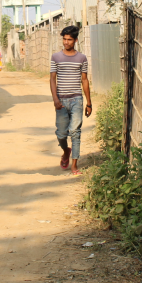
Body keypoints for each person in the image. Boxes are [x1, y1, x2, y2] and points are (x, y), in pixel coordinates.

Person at [49, 25, 92, 175]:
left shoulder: (82, 58)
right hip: (61, 101)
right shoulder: (56, 57)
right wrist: (55, 99)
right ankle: (66, 150)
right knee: (61, 134)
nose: (66, 42)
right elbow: (52, 79)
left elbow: (85, 80)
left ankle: (74, 165)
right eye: (64, 39)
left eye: (69, 39)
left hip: (77, 100)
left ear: (75, 40)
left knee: (75, 132)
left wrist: (89, 102)